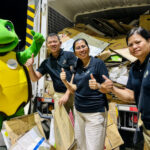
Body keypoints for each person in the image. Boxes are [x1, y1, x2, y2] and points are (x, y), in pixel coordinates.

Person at [103, 27, 150, 150]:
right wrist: (112, 88)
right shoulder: (134, 68)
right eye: (130, 45)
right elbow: (130, 95)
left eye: (138, 42)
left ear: (149, 41)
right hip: (147, 125)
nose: (134, 47)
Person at [60, 38, 110, 150]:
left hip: (95, 114)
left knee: (94, 147)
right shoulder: (77, 64)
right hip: (79, 112)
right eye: (78, 48)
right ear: (74, 52)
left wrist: (98, 86)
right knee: (81, 147)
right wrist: (65, 82)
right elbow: (74, 89)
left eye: (83, 46)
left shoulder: (98, 63)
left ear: (88, 48)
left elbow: (108, 88)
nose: (81, 49)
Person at [25, 33, 77, 113]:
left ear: (60, 43)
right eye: (50, 42)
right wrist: (30, 67)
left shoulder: (69, 55)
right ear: (47, 45)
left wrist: (67, 94)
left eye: (55, 41)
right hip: (58, 95)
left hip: (73, 94)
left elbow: (75, 74)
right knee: (59, 123)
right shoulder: (46, 63)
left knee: (75, 122)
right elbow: (34, 78)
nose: (52, 44)